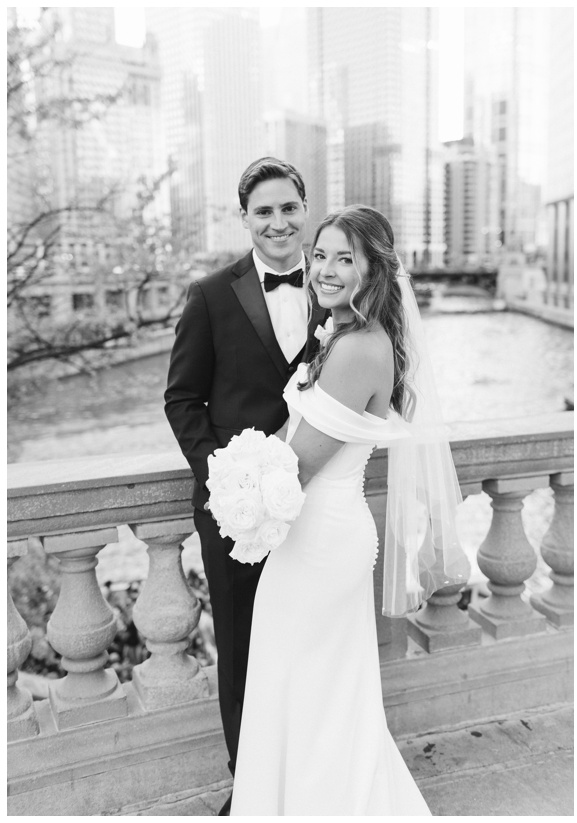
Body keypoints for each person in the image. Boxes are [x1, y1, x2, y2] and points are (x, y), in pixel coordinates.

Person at [231, 205, 464, 814]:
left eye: (346, 259)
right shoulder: (337, 332)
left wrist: (238, 489)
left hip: (321, 537)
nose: (327, 270)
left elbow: (298, 464)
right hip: (312, 534)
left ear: (374, 271)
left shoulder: (359, 346)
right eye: (324, 255)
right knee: (309, 685)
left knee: (310, 690)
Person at [164, 157, 328, 811]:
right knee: (242, 646)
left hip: (317, 503)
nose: (279, 221)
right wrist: (226, 479)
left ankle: (308, 774)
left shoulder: (333, 284)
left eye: (289, 207)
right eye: (264, 210)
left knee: (310, 642)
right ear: (246, 219)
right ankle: (251, 787)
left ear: (305, 209)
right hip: (236, 513)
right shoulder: (209, 295)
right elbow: (182, 399)